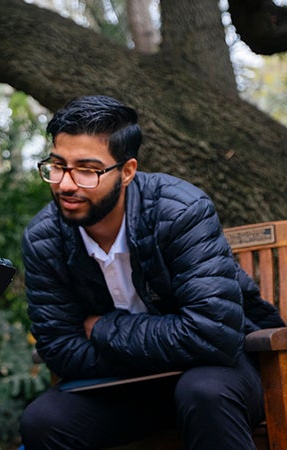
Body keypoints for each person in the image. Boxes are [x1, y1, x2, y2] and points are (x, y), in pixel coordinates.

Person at [18, 95, 284, 449]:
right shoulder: (44, 238)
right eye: (57, 165)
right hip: (125, 385)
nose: (66, 184)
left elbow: (213, 334)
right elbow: (60, 348)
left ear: (127, 171)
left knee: (203, 392)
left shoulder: (181, 211)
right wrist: (166, 341)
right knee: (43, 421)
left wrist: (103, 327)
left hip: (220, 373)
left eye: (87, 170)